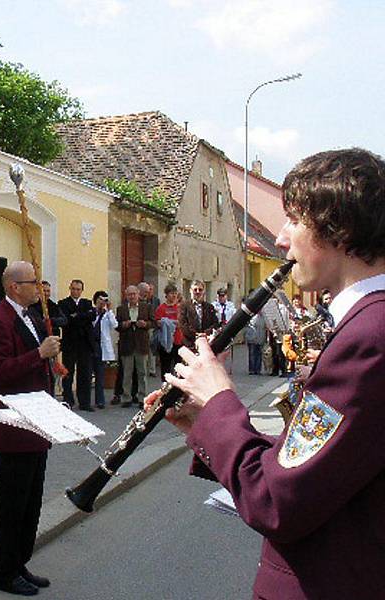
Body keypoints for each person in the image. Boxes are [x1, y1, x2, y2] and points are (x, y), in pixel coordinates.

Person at [154, 148, 385, 599]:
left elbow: (279, 500)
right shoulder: (367, 324)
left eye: (294, 220)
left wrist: (221, 401)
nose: (281, 239)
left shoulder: (369, 335)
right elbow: (321, 465)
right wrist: (205, 420)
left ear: (337, 227)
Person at [0, 261, 61, 596]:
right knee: (13, 503)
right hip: (14, 424)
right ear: (15, 287)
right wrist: (39, 354)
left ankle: (19, 563)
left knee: (32, 501)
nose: (39, 287)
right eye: (33, 281)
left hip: (36, 422)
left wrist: (49, 361)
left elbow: (34, 364)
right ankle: (5, 572)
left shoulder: (29, 317)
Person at [58, 280, 97, 411]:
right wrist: (82, 317)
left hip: (85, 343)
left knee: (85, 374)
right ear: (70, 288)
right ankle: (68, 400)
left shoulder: (87, 303)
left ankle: (85, 402)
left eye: (78, 289)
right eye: (73, 288)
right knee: (67, 373)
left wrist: (77, 316)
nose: (75, 291)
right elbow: (67, 320)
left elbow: (92, 316)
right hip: (70, 343)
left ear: (82, 290)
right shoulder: (63, 303)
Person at [115, 285, 154, 407]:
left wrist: (145, 324)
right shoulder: (121, 309)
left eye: (134, 294)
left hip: (141, 345)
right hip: (127, 345)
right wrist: (123, 325)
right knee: (127, 374)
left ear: (138, 294)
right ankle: (126, 398)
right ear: (126, 296)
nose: (132, 296)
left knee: (142, 374)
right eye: (129, 294)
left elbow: (153, 322)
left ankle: (143, 398)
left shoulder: (146, 307)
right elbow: (116, 325)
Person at [91, 291, 118, 409]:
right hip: (91, 345)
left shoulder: (107, 314)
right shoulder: (92, 312)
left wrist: (109, 310)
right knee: (88, 374)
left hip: (102, 348)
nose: (102, 302)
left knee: (100, 375)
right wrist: (97, 311)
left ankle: (100, 400)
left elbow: (115, 325)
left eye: (104, 300)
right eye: (100, 299)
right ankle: (86, 400)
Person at [154, 283, 184, 380]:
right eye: (171, 293)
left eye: (175, 293)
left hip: (178, 340)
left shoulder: (179, 308)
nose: (174, 295)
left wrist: (171, 322)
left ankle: (177, 388)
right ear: (166, 295)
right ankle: (165, 387)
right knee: (166, 367)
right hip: (166, 341)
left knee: (178, 366)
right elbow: (158, 322)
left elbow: (183, 322)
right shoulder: (161, 308)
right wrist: (167, 323)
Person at [178, 280, 218, 350]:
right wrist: (196, 335)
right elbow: (182, 324)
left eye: (200, 290)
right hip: (189, 344)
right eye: (195, 289)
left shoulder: (209, 307)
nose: (197, 292)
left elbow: (215, 323)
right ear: (190, 291)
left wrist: (205, 333)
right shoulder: (184, 306)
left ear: (203, 292)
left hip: (207, 343)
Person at [244, 289, 268, 375]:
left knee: (259, 353)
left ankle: (258, 369)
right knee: (252, 352)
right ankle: (252, 369)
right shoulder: (248, 305)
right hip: (252, 333)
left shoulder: (262, 304)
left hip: (261, 332)